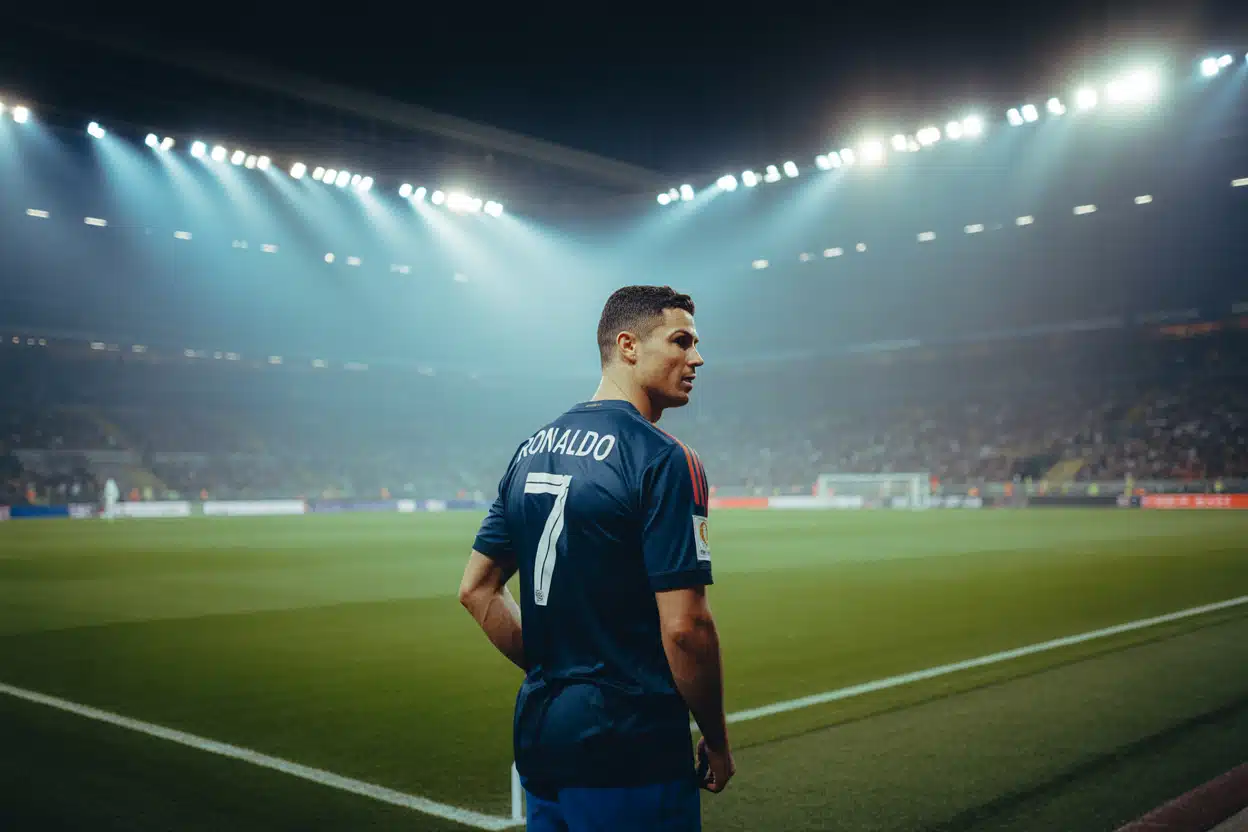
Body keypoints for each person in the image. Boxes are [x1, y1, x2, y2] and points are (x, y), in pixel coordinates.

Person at [459, 285, 733, 831]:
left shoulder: (533, 446)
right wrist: (717, 741)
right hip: (631, 747)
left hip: (542, 738)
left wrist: (559, 670)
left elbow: (476, 589)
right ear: (628, 345)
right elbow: (685, 628)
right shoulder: (663, 458)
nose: (697, 358)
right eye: (682, 341)